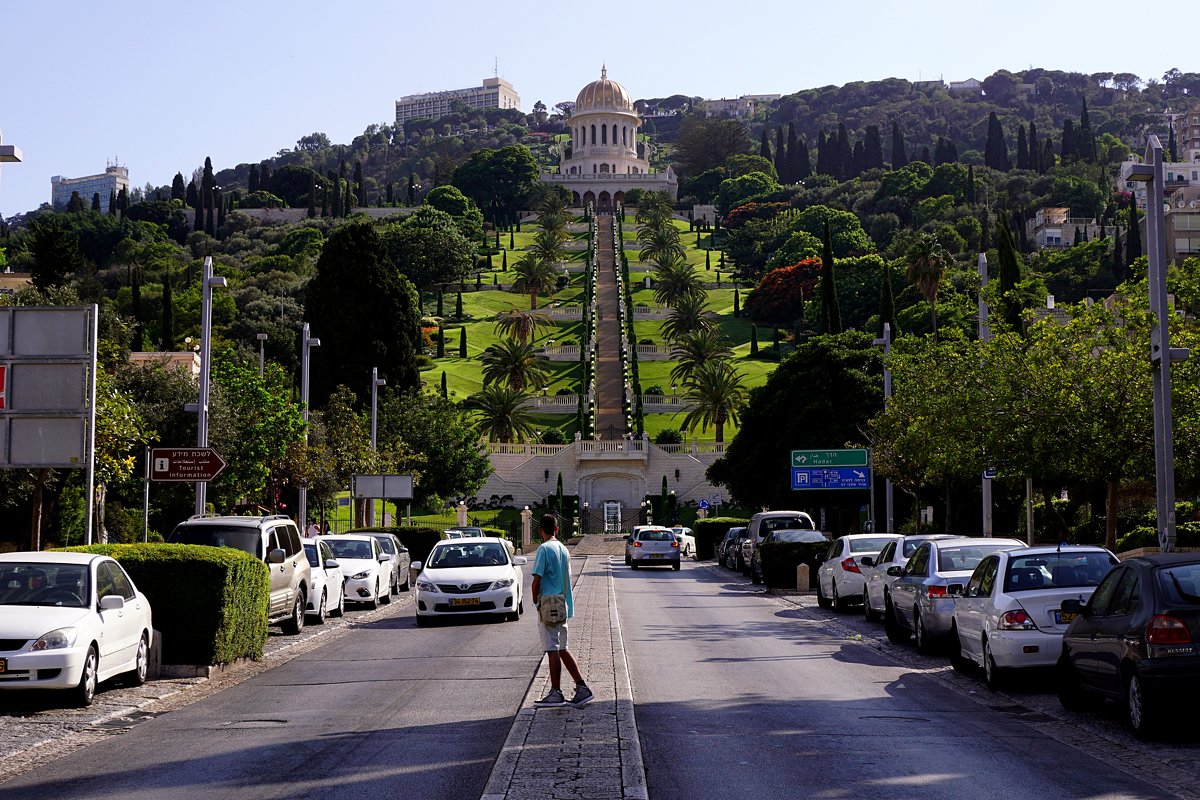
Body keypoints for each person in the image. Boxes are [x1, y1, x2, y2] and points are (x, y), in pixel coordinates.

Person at [531, 513, 592, 707]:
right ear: (557, 529)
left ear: (541, 530)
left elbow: (536, 579)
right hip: (563, 602)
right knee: (563, 648)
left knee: (552, 649)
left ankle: (556, 692)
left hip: (549, 603)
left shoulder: (544, 549)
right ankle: (582, 687)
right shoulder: (564, 549)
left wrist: (535, 600)